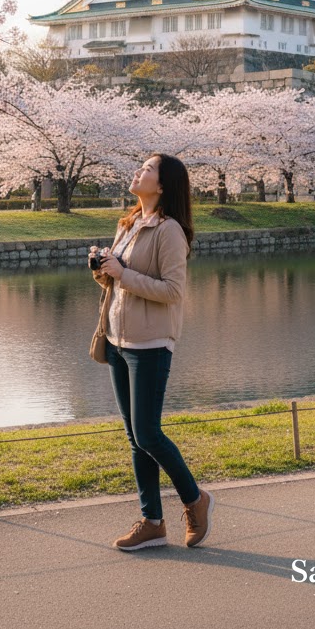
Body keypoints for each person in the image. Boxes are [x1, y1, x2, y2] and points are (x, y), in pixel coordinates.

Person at [90, 153, 214, 552]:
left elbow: (173, 292)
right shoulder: (127, 224)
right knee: (134, 436)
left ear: (162, 185)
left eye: (147, 168)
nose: (138, 171)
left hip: (150, 344)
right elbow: (121, 283)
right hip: (117, 340)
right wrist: (103, 269)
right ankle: (152, 522)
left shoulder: (169, 231)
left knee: (147, 433)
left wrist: (123, 273)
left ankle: (195, 499)